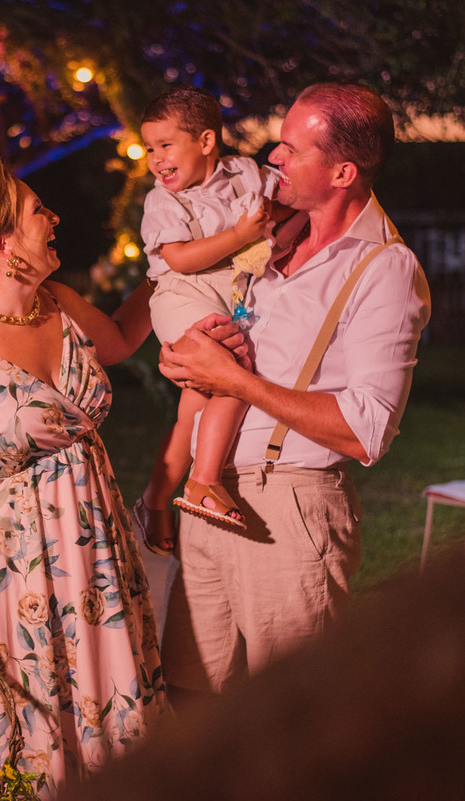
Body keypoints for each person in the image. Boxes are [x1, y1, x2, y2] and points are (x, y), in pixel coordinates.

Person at [0, 159, 235, 797]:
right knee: (30, 733)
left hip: (97, 560)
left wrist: (171, 270)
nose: (53, 219)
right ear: (4, 245)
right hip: (9, 578)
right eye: (37, 211)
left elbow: (122, 338)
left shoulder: (60, 305)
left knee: (112, 714)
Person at [156, 83, 432, 699]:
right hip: (209, 497)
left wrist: (236, 381)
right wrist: (187, 357)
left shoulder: (383, 268)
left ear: (342, 172)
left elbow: (367, 429)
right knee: (188, 700)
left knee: (288, 713)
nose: (272, 157)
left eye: (291, 148)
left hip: (288, 509)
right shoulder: (266, 236)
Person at [132, 85, 302, 555]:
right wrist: (241, 235)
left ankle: (154, 500)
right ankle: (204, 481)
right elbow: (180, 259)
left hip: (227, 300)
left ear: (206, 141)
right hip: (181, 297)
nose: (156, 159)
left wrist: (281, 225)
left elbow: (289, 201)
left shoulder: (244, 173)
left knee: (195, 405)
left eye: (166, 145)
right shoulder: (163, 202)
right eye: (149, 148)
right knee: (231, 370)